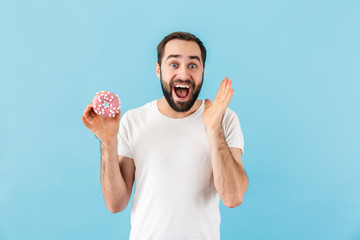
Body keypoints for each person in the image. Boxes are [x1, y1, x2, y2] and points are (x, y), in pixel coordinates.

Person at [81, 31, 249, 240]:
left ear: (203, 71)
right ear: (159, 70)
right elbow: (116, 204)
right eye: (174, 64)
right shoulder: (134, 120)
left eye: (193, 65)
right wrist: (108, 143)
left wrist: (214, 130)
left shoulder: (225, 119)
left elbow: (233, 197)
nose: (184, 74)